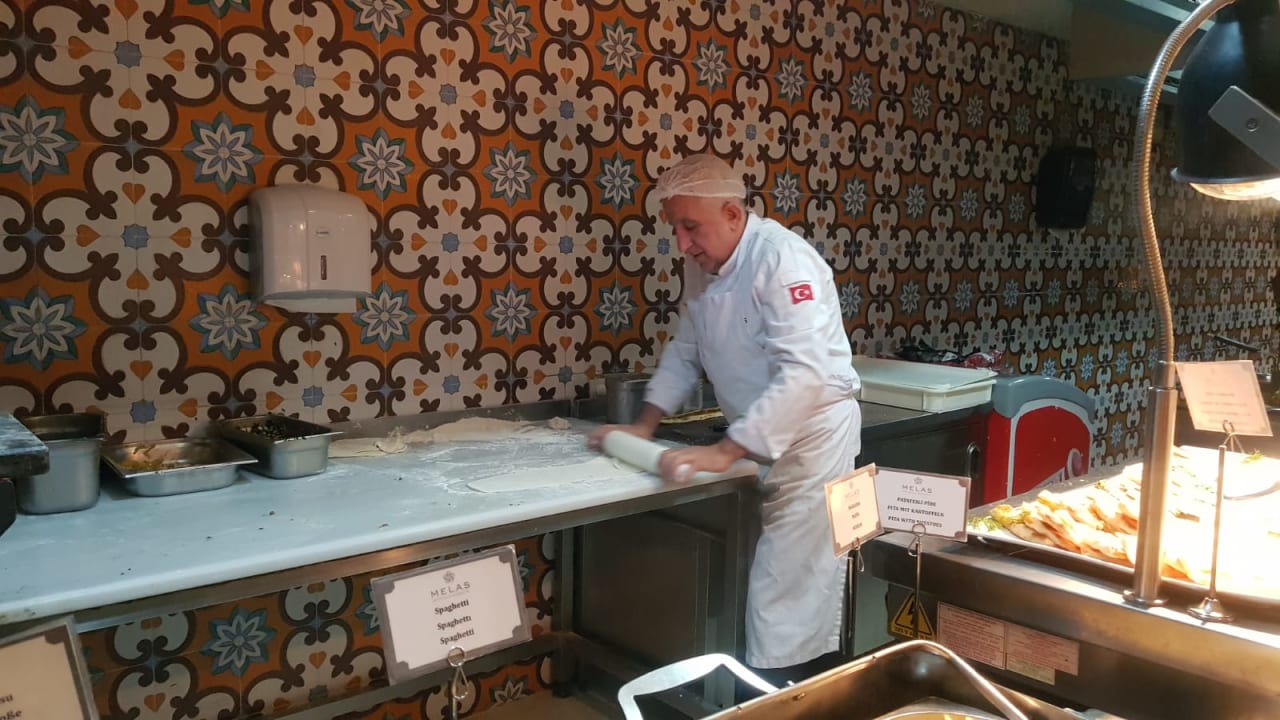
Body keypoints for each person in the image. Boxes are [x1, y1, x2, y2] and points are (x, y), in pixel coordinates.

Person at [586, 154, 862, 684]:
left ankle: (794, 700)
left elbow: (805, 372)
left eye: (691, 227)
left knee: (789, 599)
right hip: (762, 438)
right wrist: (643, 425)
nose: (682, 244)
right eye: (676, 228)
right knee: (783, 594)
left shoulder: (783, 259)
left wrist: (725, 451)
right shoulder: (704, 266)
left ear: (733, 214)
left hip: (813, 443)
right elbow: (686, 349)